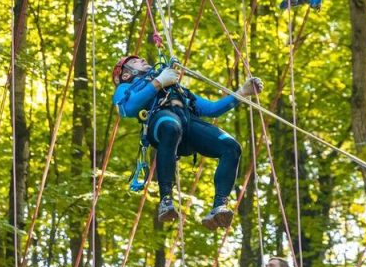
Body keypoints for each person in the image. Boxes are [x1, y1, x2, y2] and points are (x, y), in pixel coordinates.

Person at [112, 56, 262, 228]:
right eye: (136, 61)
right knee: (171, 127)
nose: (143, 59)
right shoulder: (128, 86)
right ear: (125, 74)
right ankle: (166, 200)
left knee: (231, 146)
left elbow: (212, 110)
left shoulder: (176, 89)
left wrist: (242, 92)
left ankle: (219, 205)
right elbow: (127, 109)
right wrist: (158, 83)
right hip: (160, 122)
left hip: (187, 124)